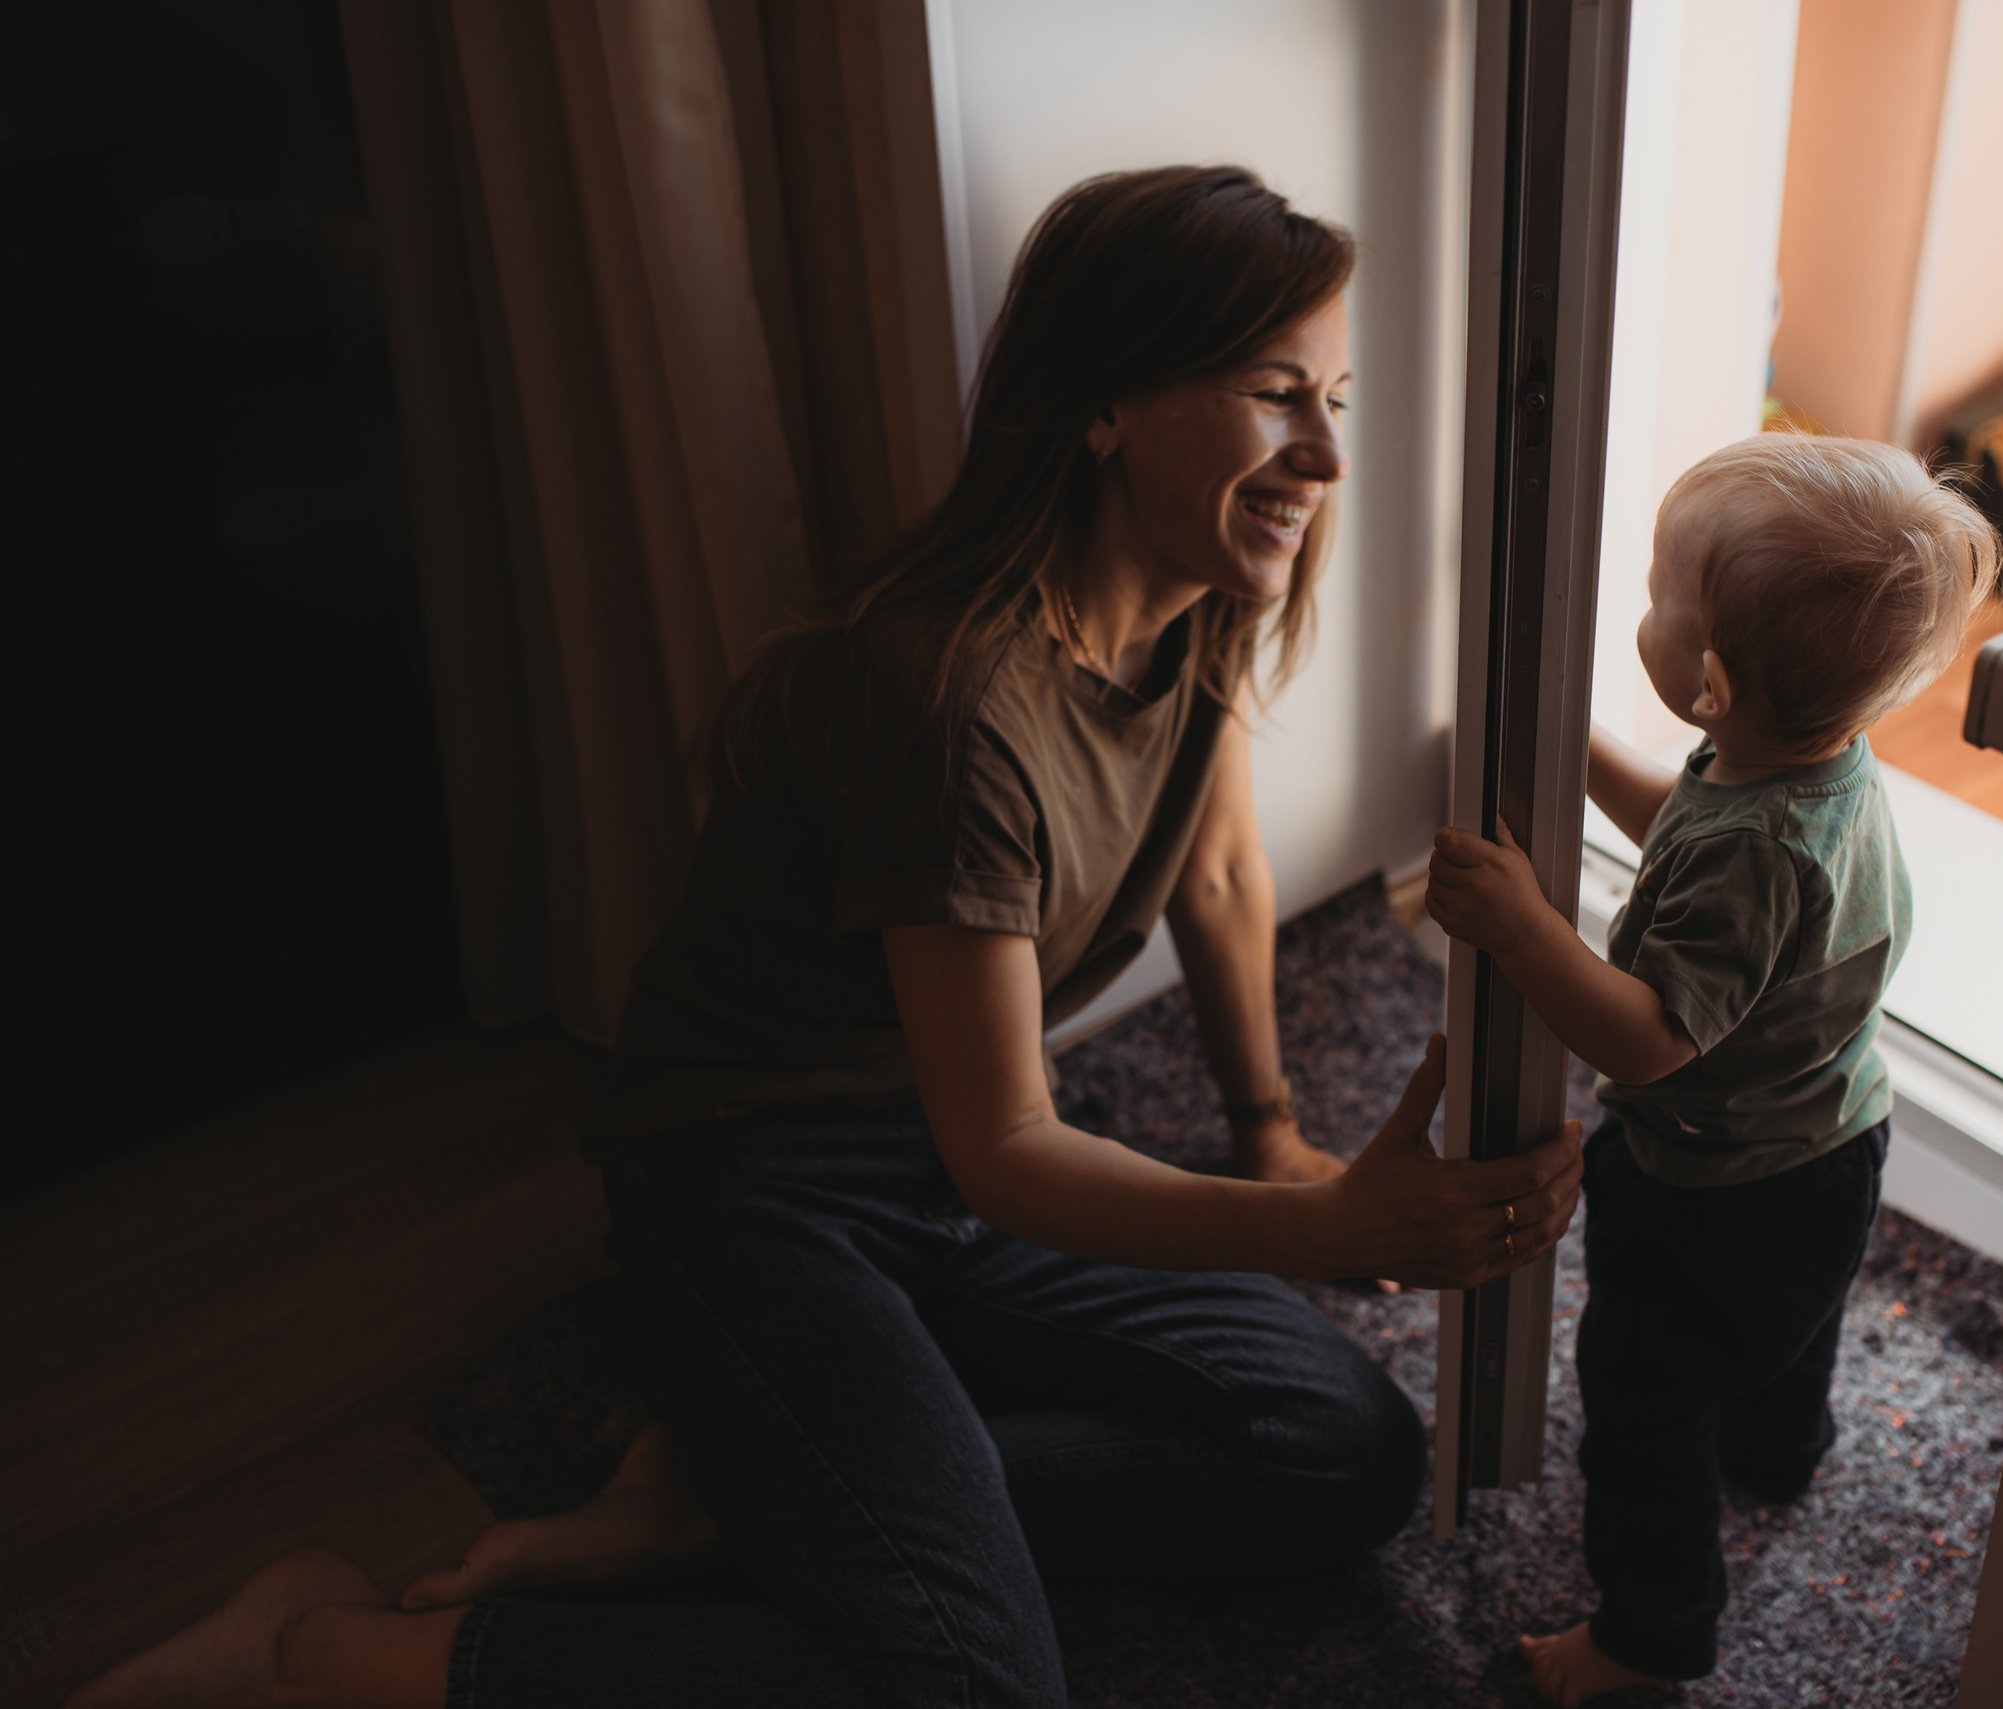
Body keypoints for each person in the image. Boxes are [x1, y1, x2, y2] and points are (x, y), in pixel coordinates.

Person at [77, 164, 1582, 1709]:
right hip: (756, 1175)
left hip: (939, 1153)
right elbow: (1007, 1145)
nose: (1328, 452)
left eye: (1334, 395)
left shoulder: (1194, 597)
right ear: (1107, 403)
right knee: (969, 1685)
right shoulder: (948, 702)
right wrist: (1328, 1233)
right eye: (1279, 395)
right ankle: (328, 1651)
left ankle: (749, 1502)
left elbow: (1217, 872)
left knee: (1347, 1451)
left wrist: (1270, 1135)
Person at [1426, 434, 1997, 1705]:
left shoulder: (1758, 847)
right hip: (1835, 1144)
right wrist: (1566, 750)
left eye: (1651, 598)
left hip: (1717, 1187)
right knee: (1789, 1337)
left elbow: (1644, 1034)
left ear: (1709, 684)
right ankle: (1783, 1447)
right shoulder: (1809, 767)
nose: (1638, 609)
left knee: (1640, 1399)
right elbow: (1687, 838)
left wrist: (1526, 925)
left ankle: (1651, 1632)